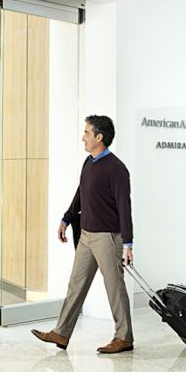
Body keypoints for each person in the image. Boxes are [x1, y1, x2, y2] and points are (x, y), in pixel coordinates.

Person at [32, 115, 135, 354]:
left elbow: (124, 207)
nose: (83, 137)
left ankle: (124, 337)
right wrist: (66, 218)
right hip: (87, 236)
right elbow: (81, 192)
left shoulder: (117, 169)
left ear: (100, 137)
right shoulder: (89, 162)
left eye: (87, 133)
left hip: (108, 238)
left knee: (114, 288)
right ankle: (61, 332)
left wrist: (128, 244)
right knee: (76, 284)